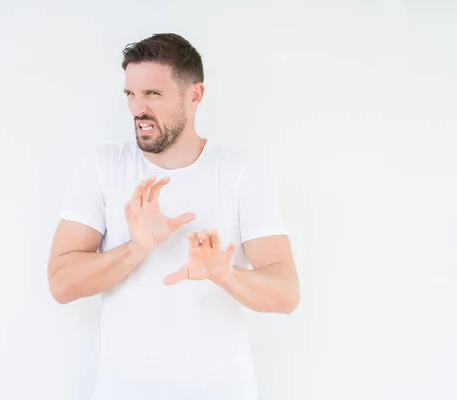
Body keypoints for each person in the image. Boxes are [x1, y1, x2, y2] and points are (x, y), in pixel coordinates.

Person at [47, 32, 300, 400]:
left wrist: (223, 273)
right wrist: (136, 248)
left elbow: (286, 294)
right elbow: (61, 283)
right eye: (130, 94)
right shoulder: (103, 168)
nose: (138, 108)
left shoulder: (241, 174)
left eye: (153, 94)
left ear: (194, 96)